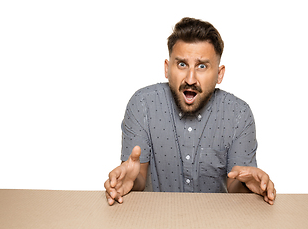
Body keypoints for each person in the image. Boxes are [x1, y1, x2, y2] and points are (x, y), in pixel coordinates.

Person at [104, 17, 276, 205]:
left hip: (217, 221)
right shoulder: (143, 104)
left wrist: (249, 187)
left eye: (202, 66)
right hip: (155, 219)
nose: (191, 79)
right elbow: (137, 177)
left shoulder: (238, 115)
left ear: (220, 74)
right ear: (167, 69)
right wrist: (130, 181)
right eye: (182, 64)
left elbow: (236, 183)